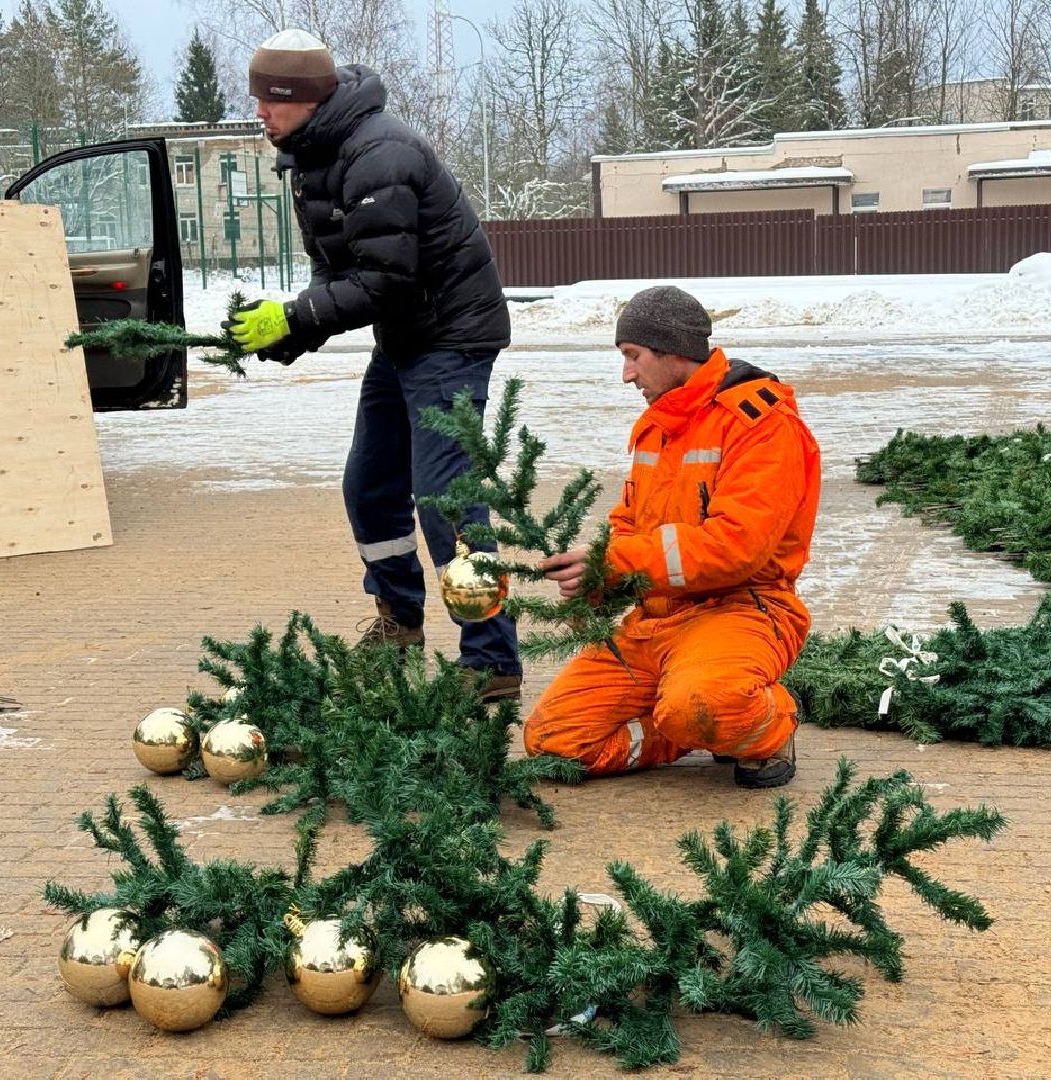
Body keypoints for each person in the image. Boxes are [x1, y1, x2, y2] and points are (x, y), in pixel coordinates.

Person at [227, 29, 521, 700]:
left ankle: (492, 662)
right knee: (368, 487)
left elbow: (386, 278)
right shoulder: (312, 155)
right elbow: (338, 271)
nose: (260, 113)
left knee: (445, 498)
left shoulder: (378, 153)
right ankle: (399, 622)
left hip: (453, 336)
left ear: (305, 98)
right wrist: (290, 333)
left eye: (270, 100)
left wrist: (296, 316)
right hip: (406, 337)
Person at [523, 287, 820, 787]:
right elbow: (629, 526)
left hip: (740, 612)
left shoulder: (761, 424)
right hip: (656, 621)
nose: (627, 375)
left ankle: (767, 724)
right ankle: (688, 726)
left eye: (633, 356)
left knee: (703, 703)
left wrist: (616, 563)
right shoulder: (658, 425)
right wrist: (595, 581)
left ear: (674, 352)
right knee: (554, 742)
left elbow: (736, 547)